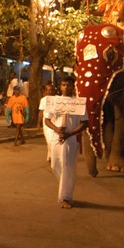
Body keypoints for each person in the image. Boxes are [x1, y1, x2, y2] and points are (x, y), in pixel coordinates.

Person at [43, 77, 88, 208]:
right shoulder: (54, 101)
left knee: (67, 167)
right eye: (63, 85)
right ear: (60, 86)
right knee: (55, 165)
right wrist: (56, 129)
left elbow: (85, 122)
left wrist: (70, 133)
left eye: (68, 85)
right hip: (56, 137)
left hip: (71, 139)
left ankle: (65, 197)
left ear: (73, 87)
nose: (65, 88)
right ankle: (65, 186)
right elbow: (47, 120)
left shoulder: (78, 103)